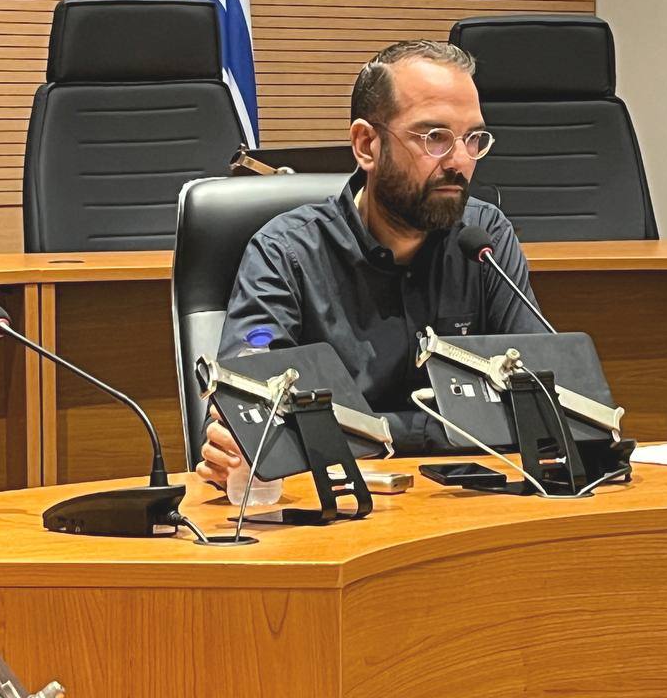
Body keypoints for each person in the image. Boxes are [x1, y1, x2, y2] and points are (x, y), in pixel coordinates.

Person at [197, 40, 547, 486]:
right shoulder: (285, 253)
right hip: (336, 507)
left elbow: (539, 405)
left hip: (467, 502)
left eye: (473, 139)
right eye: (435, 138)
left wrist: (356, 432)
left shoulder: (484, 240)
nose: (460, 161)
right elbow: (253, 421)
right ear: (367, 145)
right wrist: (448, 427)